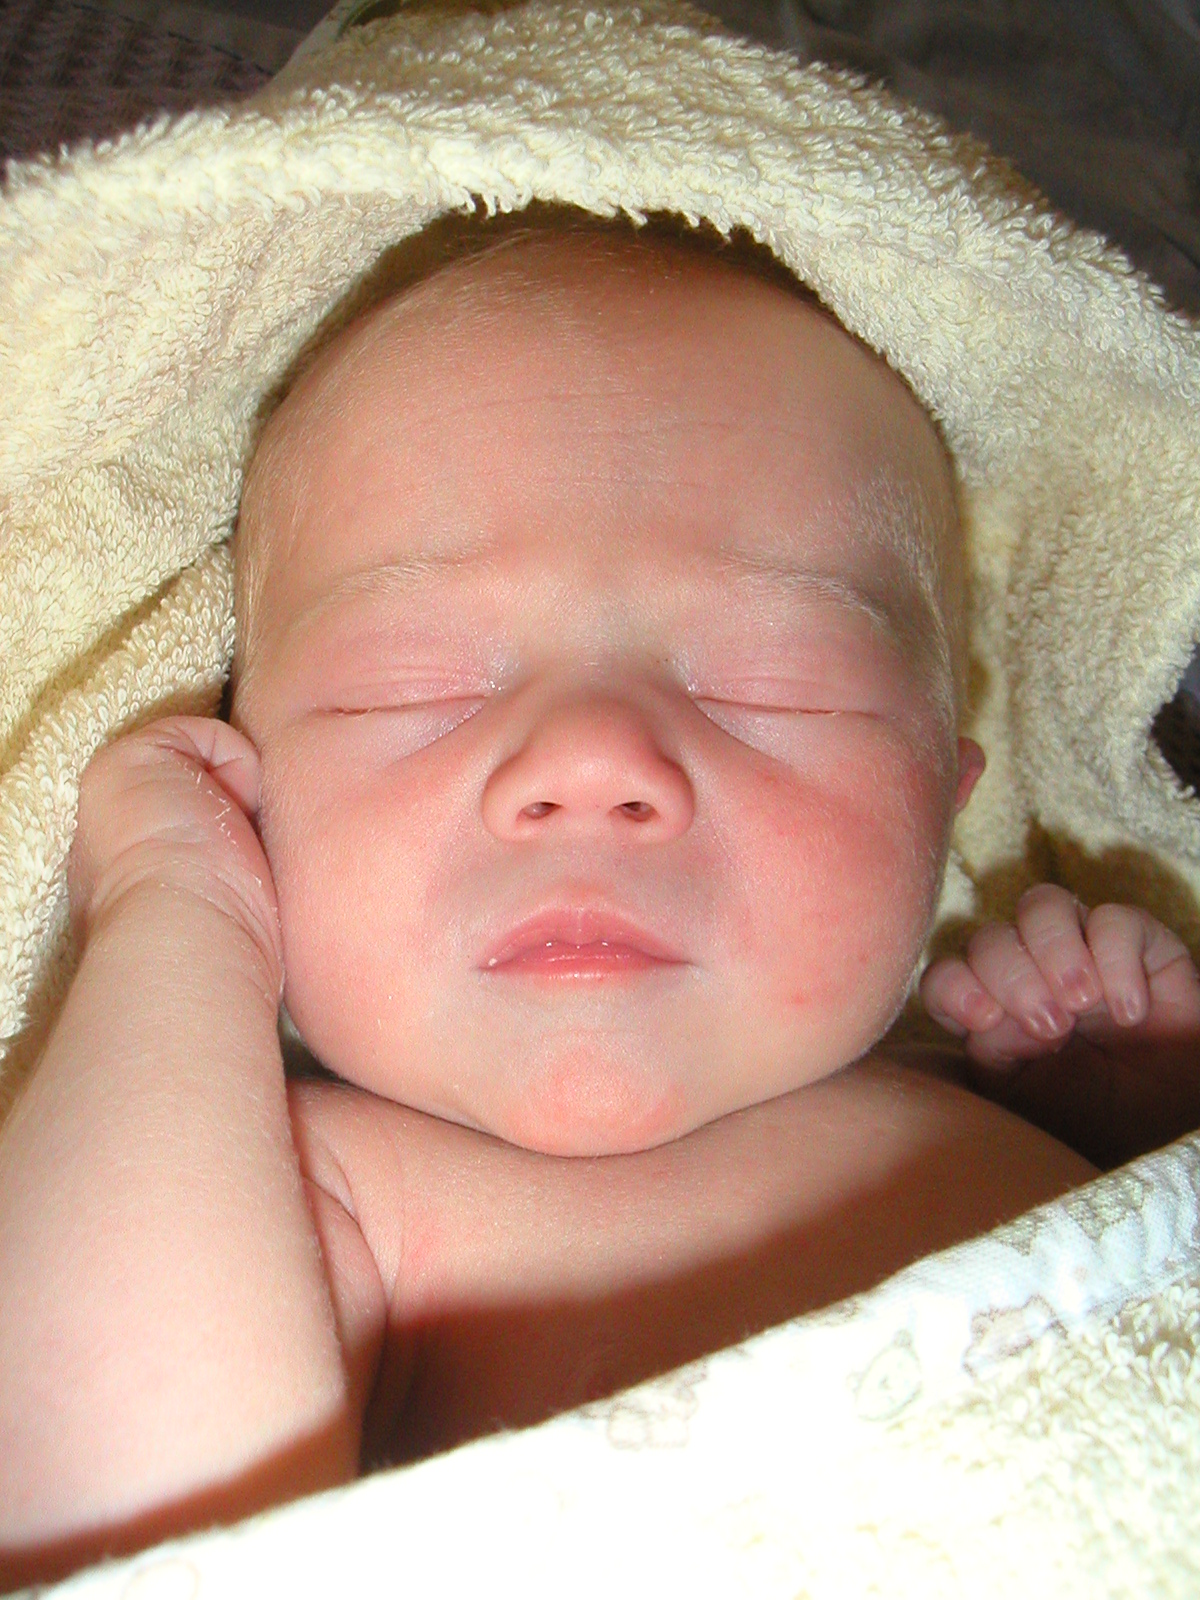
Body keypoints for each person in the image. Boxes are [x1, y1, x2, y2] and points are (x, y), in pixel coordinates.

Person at [2, 209, 1198, 1585]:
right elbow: (103, 1518)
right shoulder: (301, 1190)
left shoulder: (990, 1103)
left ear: (944, 796)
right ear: (255, 790)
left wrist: (1132, 1128)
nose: (590, 761)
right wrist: (172, 921)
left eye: (773, 674)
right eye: (411, 680)